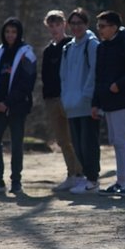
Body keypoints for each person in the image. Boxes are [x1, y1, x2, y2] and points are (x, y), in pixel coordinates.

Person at [91, 11, 125, 197]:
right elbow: (99, 78)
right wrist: (95, 103)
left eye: (103, 26)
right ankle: (121, 181)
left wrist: (119, 85)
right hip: (107, 102)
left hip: (123, 101)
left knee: (123, 141)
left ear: (114, 27)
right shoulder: (102, 47)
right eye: (98, 26)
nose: (99, 30)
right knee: (116, 141)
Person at [0, 17, 37, 194]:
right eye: (7, 32)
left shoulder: (27, 53)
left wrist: (7, 103)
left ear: (19, 33)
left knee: (16, 144)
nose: (10, 35)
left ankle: (16, 181)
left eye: (14, 32)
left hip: (17, 107)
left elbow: (27, 83)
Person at [59, 8, 100, 194]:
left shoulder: (92, 44)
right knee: (77, 145)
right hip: (71, 105)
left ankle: (93, 180)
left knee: (88, 144)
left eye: (80, 23)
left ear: (86, 24)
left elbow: (94, 73)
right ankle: (86, 178)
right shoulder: (67, 48)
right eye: (73, 23)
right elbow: (63, 76)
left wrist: (87, 96)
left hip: (87, 105)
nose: (76, 27)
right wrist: (65, 98)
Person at [41, 10, 82, 192]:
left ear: (64, 25)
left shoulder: (71, 45)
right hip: (51, 100)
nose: (54, 29)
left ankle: (81, 174)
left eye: (58, 25)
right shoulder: (48, 50)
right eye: (51, 25)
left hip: (69, 98)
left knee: (74, 138)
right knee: (62, 140)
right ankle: (71, 174)